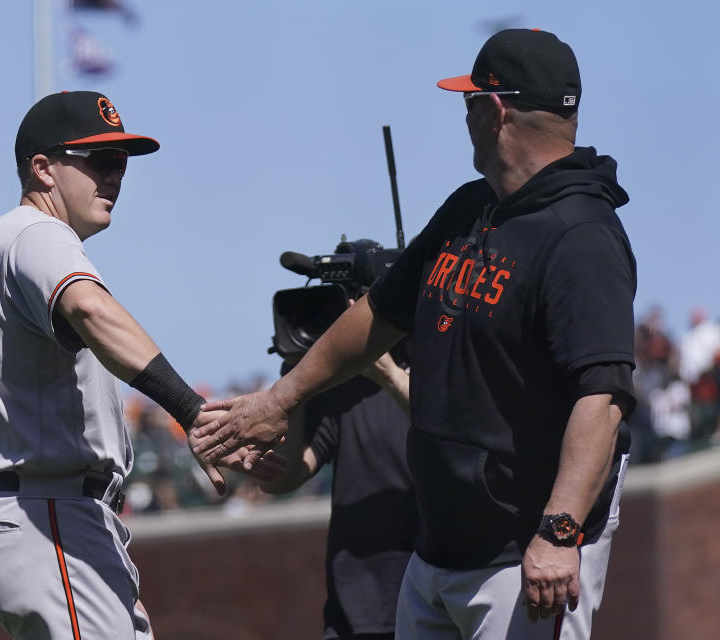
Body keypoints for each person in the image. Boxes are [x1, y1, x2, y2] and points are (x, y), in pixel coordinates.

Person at [194, 28, 636, 640]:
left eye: (468, 103)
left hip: (523, 556)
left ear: (495, 109)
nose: (466, 118)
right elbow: (378, 313)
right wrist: (278, 400)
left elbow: (603, 398)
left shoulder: (582, 235)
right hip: (436, 554)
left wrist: (559, 532)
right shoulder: (469, 208)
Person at [0, 90, 284, 639]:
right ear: (43, 169)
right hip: (48, 511)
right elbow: (89, 306)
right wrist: (191, 410)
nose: (116, 175)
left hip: (49, 511)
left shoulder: (9, 242)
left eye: (122, 162)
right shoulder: (35, 234)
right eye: (99, 160)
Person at [260, 341, 415, 640]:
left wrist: (390, 375)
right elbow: (278, 480)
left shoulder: (441, 361)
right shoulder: (342, 384)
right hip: (358, 611)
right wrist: (295, 379)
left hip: (440, 597)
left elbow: (459, 437)